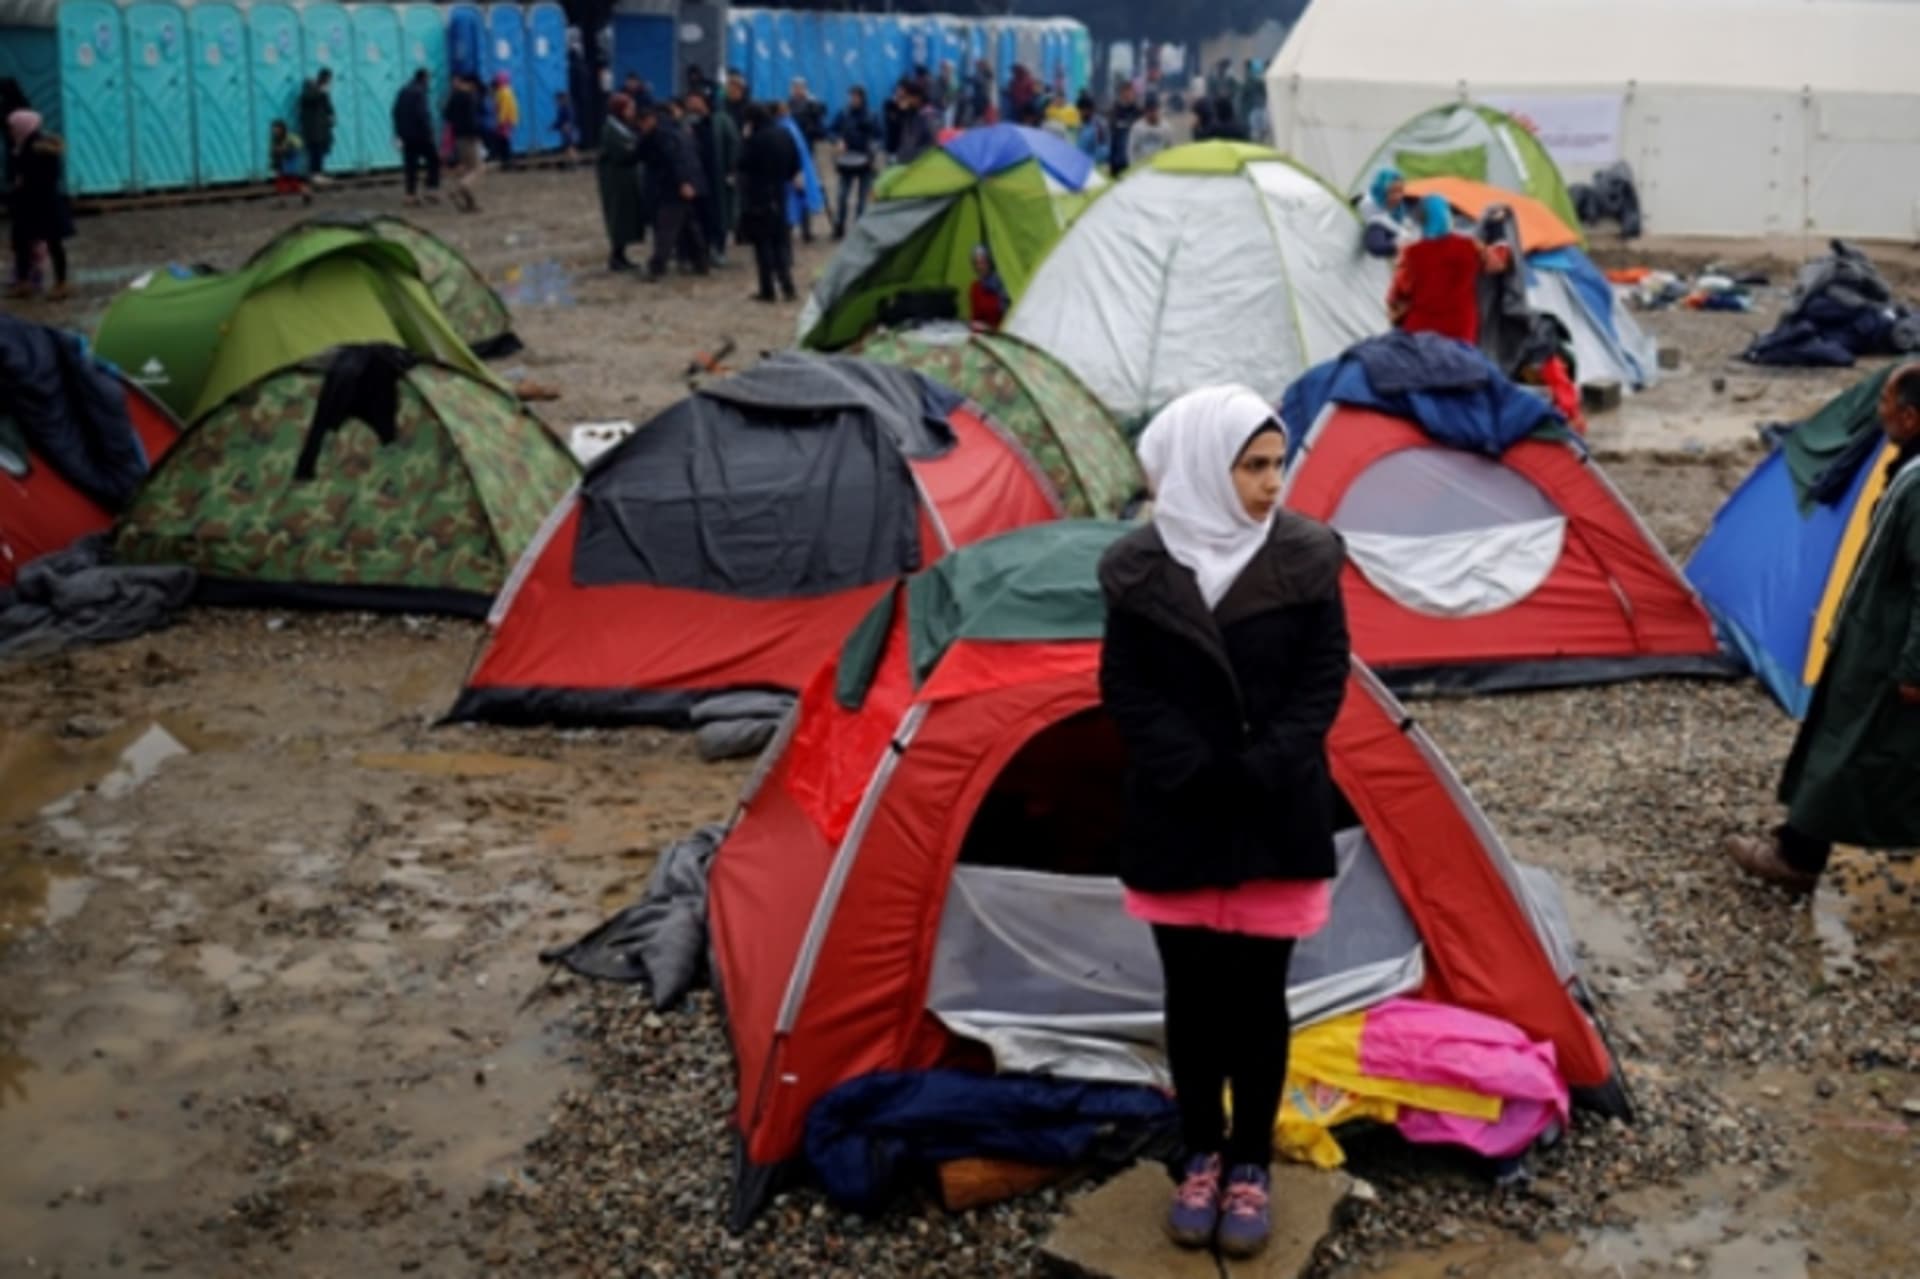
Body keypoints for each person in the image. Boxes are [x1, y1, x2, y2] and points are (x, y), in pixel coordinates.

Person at [1098, 386, 1347, 1260]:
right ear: (1205, 465)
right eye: (1252, 466)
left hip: (1273, 812)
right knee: (1192, 997)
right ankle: (1198, 1149)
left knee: (1258, 997)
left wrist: (1263, 764)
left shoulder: (1308, 558)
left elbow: (1323, 682)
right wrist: (1190, 766)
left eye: (1278, 463)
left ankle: (1251, 1163)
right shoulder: (1138, 568)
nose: (1272, 483)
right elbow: (1124, 687)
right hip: (1179, 811)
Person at [1726, 364, 1920, 891]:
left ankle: (1797, 856)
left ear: (1910, 416)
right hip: (1877, 638)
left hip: (1888, 650)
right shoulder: (1907, 467)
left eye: (1885, 404)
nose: (1877, 413)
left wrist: (1913, 665)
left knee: (1846, 749)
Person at [1388, 195, 1483, 344]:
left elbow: (1400, 292)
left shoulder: (1413, 253)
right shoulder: (1471, 246)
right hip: (1461, 329)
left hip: (1421, 330)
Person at [737, 103, 802, 303]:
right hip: (780, 193)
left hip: (758, 195)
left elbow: (742, 163)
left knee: (762, 244)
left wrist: (745, 140)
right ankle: (788, 286)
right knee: (780, 241)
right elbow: (795, 164)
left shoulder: (755, 140)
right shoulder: (784, 134)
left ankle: (767, 289)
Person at [636, 102, 708, 279]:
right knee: (689, 226)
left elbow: (675, 160)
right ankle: (701, 262)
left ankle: (657, 267)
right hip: (686, 183)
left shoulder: (663, 136)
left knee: (666, 228)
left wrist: (683, 182)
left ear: (649, 120)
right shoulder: (676, 130)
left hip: (673, 187)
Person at [8, 109, 73, 301]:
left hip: (39, 203)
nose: (11, 130)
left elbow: (43, 176)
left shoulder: (37, 147)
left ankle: (58, 284)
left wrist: (23, 181)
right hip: (37, 203)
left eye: (13, 126)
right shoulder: (25, 145)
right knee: (25, 242)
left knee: (48, 243)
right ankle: (26, 282)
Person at [685, 90, 737, 267]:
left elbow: (733, 144)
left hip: (717, 177)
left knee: (720, 215)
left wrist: (732, 170)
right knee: (700, 216)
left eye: (694, 100)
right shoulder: (688, 122)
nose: (691, 104)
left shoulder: (721, 120)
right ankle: (702, 250)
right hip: (697, 178)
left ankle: (719, 248)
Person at [597, 93, 646, 271]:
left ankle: (621, 254)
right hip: (616, 182)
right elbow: (622, 152)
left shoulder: (622, 127)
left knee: (626, 218)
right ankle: (617, 256)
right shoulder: (611, 130)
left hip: (626, 179)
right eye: (629, 109)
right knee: (619, 218)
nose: (632, 112)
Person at [828, 85, 879, 240]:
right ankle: (839, 226)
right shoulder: (843, 113)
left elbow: (880, 136)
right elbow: (830, 130)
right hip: (846, 161)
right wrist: (837, 141)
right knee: (842, 196)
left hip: (865, 161)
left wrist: (873, 148)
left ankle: (859, 231)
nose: (853, 99)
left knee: (862, 200)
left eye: (856, 96)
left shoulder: (872, 115)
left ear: (863, 98)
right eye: (851, 96)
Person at [773, 100, 825, 245]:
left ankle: (791, 232)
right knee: (801, 200)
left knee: (792, 201)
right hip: (799, 170)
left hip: (792, 171)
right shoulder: (790, 126)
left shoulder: (784, 127)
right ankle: (804, 232)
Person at [393, 70, 439, 206]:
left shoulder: (403, 91)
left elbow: (395, 112)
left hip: (406, 135)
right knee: (434, 160)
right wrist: (429, 132)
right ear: (424, 78)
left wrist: (399, 132)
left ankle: (410, 195)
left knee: (411, 165)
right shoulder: (420, 92)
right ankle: (431, 190)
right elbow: (422, 115)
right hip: (421, 135)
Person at [444, 73, 485, 212]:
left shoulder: (453, 96)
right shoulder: (469, 96)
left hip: (458, 137)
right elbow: (472, 118)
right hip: (469, 137)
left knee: (466, 168)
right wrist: (477, 134)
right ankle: (460, 187)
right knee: (478, 169)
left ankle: (470, 203)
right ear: (470, 84)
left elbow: (446, 115)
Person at [1358, 167, 1415, 259]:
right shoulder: (1372, 209)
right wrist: (1400, 242)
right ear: (1382, 191)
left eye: (1400, 191)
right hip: (1380, 228)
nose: (1397, 197)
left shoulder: (1399, 208)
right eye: (1392, 192)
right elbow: (1377, 245)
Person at [299, 69, 336, 184]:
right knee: (315, 150)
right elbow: (309, 99)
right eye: (328, 79)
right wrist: (321, 92)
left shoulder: (323, 90)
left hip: (322, 127)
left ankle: (319, 173)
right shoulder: (310, 88)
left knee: (322, 149)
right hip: (313, 128)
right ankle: (315, 174)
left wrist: (332, 116)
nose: (329, 82)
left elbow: (328, 106)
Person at [267, 119, 311, 207]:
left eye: (277, 129)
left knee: (294, 184)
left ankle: (306, 193)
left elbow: (296, 149)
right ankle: (282, 201)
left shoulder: (289, 138)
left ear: (282, 129)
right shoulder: (275, 139)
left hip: (290, 164)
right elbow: (273, 152)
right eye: (274, 129)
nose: (275, 131)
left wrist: (284, 150)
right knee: (280, 184)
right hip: (281, 165)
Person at [893, 81, 938, 166]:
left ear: (916, 98)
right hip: (908, 164)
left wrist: (904, 156)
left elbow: (931, 146)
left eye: (905, 97)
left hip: (921, 166)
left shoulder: (926, 116)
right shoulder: (910, 115)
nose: (902, 100)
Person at [968, 244, 1009, 330]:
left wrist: (990, 328)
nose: (980, 267)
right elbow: (975, 318)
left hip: (1004, 333)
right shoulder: (975, 288)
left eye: (983, 262)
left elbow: (1009, 316)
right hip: (985, 335)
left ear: (990, 262)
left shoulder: (1003, 284)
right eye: (976, 263)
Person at [1109, 80, 1142, 176]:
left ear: (1134, 94)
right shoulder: (1115, 112)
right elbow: (1112, 139)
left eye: (1130, 92)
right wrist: (1112, 162)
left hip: (1135, 161)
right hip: (1118, 161)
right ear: (1121, 94)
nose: (1127, 95)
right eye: (1125, 92)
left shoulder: (1139, 112)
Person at [1129, 95, 1173, 166]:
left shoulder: (1166, 128)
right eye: (1149, 110)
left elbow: (1170, 149)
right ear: (1145, 111)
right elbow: (1132, 150)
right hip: (1142, 167)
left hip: (1160, 167)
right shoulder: (1137, 128)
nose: (1152, 113)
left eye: (1154, 110)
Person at [490, 72, 520, 169]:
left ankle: (507, 161)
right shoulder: (506, 91)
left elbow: (504, 108)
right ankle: (506, 161)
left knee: (504, 140)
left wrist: (500, 120)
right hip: (507, 120)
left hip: (505, 121)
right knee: (504, 140)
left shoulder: (504, 92)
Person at [787, 78, 825, 144]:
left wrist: (812, 101)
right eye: (795, 88)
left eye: (800, 88)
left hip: (808, 136)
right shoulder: (789, 103)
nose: (797, 90)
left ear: (805, 89)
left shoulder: (811, 102)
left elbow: (820, 113)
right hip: (793, 136)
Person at [554, 91, 578, 162]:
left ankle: (574, 163)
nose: (556, 102)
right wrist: (554, 127)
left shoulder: (566, 107)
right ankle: (570, 163)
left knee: (570, 147)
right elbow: (559, 121)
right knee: (567, 147)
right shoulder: (561, 108)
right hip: (564, 130)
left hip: (568, 130)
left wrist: (568, 125)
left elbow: (570, 118)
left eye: (557, 100)